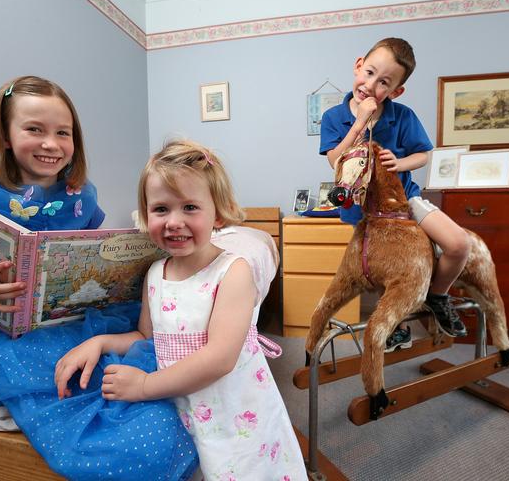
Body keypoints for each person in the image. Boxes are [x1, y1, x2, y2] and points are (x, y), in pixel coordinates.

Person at [0, 76, 197, 480]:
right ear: (6, 135)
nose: (51, 144)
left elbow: (84, 260)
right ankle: (110, 439)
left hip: (64, 317)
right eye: (34, 129)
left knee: (131, 339)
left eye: (63, 133)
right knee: (28, 362)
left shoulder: (81, 195)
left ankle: (134, 405)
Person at [55, 140, 308, 480]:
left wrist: (145, 385)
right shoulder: (155, 274)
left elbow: (220, 358)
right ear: (146, 216)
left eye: (190, 207)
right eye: (161, 209)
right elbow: (147, 336)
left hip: (232, 408)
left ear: (217, 213)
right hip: (181, 401)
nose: (174, 221)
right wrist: (100, 343)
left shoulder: (233, 270)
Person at [319, 38, 469, 352]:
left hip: (404, 202)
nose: (371, 85)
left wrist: (400, 162)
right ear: (358, 65)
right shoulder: (334, 117)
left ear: (395, 91)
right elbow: (336, 160)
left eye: (383, 82)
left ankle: (437, 295)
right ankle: (397, 327)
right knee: (383, 270)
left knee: (458, 244)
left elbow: (423, 155)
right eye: (369, 73)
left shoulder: (402, 116)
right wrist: (360, 120)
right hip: (363, 211)